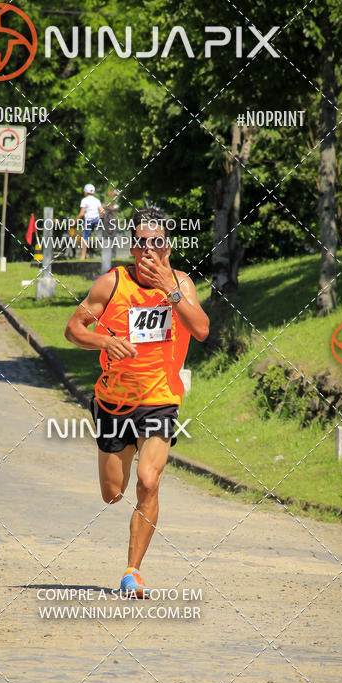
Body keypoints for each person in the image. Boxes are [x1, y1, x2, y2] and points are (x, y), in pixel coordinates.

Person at [64, 207, 209, 597]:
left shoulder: (181, 284)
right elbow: (74, 328)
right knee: (113, 492)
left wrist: (170, 288)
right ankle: (121, 458)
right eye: (141, 243)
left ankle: (133, 571)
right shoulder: (111, 284)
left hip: (161, 399)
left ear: (168, 247)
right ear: (132, 246)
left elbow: (200, 329)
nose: (148, 250)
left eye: (156, 243)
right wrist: (103, 340)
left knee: (149, 482)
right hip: (114, 400)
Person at [77, 183, 105, 260]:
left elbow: (81, 214)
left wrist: (75, 222)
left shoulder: (84, 200)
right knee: (92, 236)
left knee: (85, 237)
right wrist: (98, 218)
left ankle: (83, 256)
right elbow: (103, 211)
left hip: (88, 221)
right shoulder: (97, 200)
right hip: (96, 221)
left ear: (86, 192)